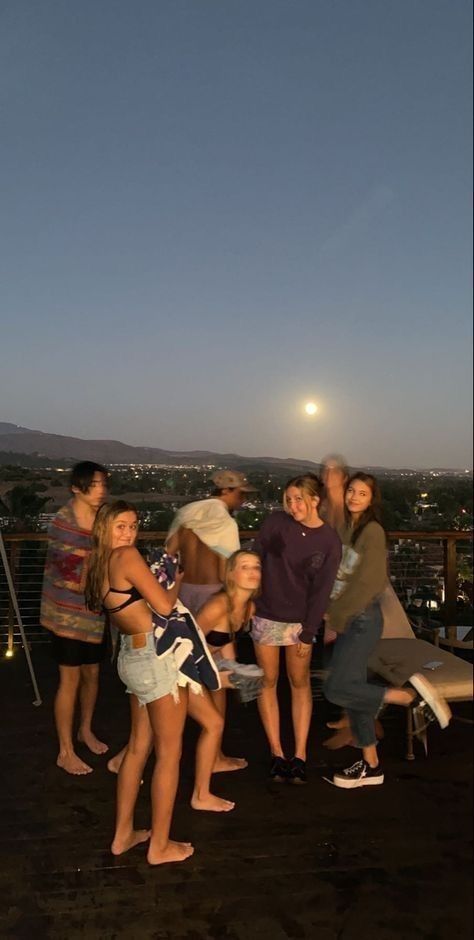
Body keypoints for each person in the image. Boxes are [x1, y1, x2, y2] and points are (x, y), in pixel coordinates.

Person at [324, 473, 451, 789]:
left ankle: (407, 696)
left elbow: (369, 583)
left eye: (362, 493)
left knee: (336, 689)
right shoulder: (347, 530)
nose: (354, 496)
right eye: (351, 491)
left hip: (362, 619)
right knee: (354, 692)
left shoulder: (372, 531)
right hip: (351, 619)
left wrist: (335, 617)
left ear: (371, 500)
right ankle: (371, 765)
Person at [251, 474, 342, 784]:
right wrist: (246, 599)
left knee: (299, 682)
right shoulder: (276, 523)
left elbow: (322, 590)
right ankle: (277, 753)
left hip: (300, 622)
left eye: (298, 499)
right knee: (268, 682)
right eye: (288, 499)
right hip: (266, 614)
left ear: (315, 500)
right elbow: (254, 560)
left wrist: (309, 631)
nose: (292, 505)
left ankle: (300, 755)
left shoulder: (329, 540)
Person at [40, 460, 109, 775]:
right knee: (69, 680)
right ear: (76, 487)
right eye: (94, 485)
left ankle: (86, 728)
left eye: (102, 485)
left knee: (92, 674)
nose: (100, 490)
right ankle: (64, 750)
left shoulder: (103, 520)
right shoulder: (63, 522)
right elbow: (66, 569)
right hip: (65, 613)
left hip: (93, 612)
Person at [197, 550, 263, 770]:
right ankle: (124, 760)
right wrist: (218, 674)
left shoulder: (248, 608)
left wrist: (234, 669)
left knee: (220, 709)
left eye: (256, 567)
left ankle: (216, 757)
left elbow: (226, 641)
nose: (253, 572)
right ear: (231, 574)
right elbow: (186, 641)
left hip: (210, 659)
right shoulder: (218, 604)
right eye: (245, 567)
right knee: (155, 729)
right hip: (182, 662)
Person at [166, 470, 257, 615]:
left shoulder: (187, 512)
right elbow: (224, 572)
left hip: (182, 588)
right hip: (211, 592)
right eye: (241, 494)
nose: (243, 499)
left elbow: (169, 552)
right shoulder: (226, 522)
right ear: (226, 491)